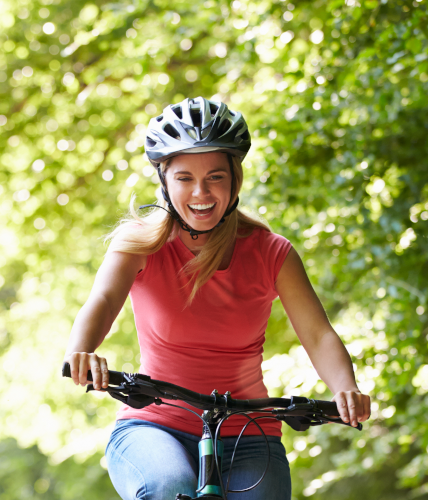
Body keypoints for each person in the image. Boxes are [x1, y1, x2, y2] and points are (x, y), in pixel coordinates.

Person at [63, 97, 372, 500]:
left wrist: (344, 388)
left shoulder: (271, 252)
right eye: (184, 178)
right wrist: (81, 351)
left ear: (235, 180)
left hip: (248, 433)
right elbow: (103, 301)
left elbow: (317, 334)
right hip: (155, 425)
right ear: (165, 182)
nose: (200, 192)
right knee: (167, 486)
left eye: (215, 177)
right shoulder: (139, 244)